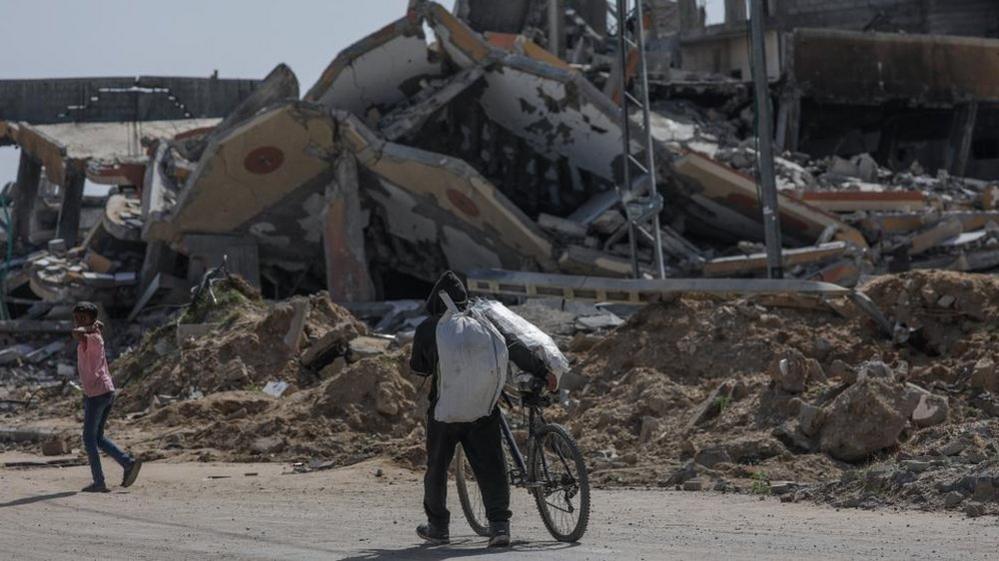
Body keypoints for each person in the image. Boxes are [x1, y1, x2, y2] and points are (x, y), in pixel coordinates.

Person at [409, 271, 556, 548]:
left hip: (445, 413)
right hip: (484, 409)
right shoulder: (486, 322)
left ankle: (438, 527)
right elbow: (514, 347)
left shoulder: (429, 328)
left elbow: (419, 367)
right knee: (492, 466)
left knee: (437, 468)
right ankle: (499, 526)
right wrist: (542, 370)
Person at [72, 302, 141, 493]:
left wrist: (89, 326)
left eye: (83, 318)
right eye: (76, 317)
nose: (78, 322)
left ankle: (99, 482)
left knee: (89, 438)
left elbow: (77, 332)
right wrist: (92, 324)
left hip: (98, 393)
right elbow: (81, 330)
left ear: (91, 321)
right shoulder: (93, 334)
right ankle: (127, 463)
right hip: (103, 391)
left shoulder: (93, 338)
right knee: (98, 437)